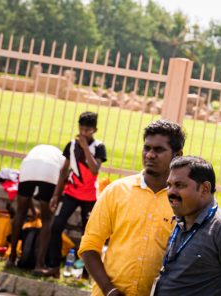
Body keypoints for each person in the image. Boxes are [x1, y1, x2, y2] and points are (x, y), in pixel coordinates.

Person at [79, 120, 185, 296]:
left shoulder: (183, 201)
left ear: (177, 155)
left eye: (158, 150)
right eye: (147, 148)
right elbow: (89, 246)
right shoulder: (116, 191)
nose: (150, 155)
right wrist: (109, 290)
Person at [153, 156, 221, 296]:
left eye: (179, 185)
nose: (171, 192)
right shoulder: (182, 221)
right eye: (169, 185)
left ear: (205, 189)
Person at [40, 111, 107, 276]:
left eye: (88, 130)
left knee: (89, 234)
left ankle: (87, 271)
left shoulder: (98, 147)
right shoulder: (71, 145)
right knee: (56, 226)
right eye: (81, 129)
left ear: (94, 130)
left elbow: (94, 170)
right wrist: (56, 194)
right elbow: (64, 171)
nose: (83, 133)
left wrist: (85, 148)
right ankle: (54, 266)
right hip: (70, 193)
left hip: (89, 197)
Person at [7, 143, 65, 270]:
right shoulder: (62, 157)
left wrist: (33, 210)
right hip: (50, 170)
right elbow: (63, 177)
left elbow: (26, 198)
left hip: (28, 166)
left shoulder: (36, 151)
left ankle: (11, 258)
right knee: (47, 219)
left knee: (20, 213)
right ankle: (39, 264)